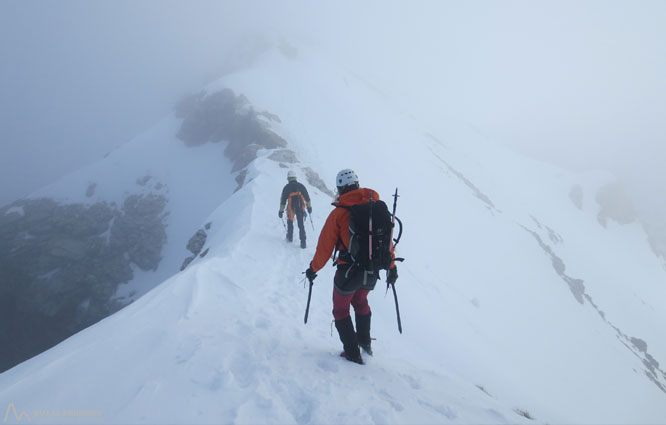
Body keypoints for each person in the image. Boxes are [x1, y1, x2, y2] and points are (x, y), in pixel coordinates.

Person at [305, 169, 398, 364]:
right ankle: (365, 344)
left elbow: (325, 248)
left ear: (340, 189)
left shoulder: (339, 213)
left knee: (340, 310)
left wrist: (313, 269)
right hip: (372, 271)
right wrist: (391, 267)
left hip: (348, 273)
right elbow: (387, 242)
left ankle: (352, 353)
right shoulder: (377, 208)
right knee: (361, 302)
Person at [279, 170, 312, 249]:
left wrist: (281, 211)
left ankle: (289, 238)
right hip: (300, 207)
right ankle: (303, 243)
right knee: (301, 225)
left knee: (290, 222)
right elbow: (307, 198)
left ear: (288, 178)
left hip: (291, 208)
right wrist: (309, 207)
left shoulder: (286, 188)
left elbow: (283, 201)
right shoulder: (301, 186)